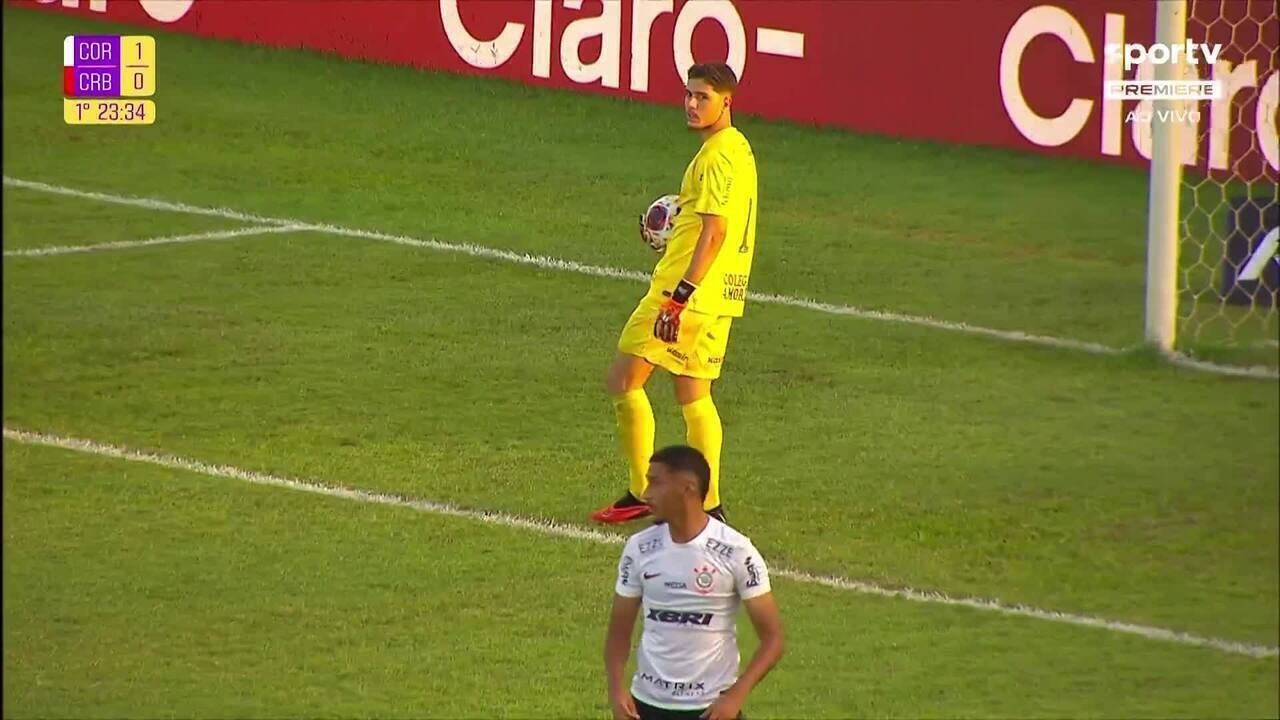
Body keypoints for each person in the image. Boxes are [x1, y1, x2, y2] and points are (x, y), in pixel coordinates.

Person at [592, 62, 759, 525]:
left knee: (624, 382)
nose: (690, 104)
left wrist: (679, 294)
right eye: (687, 94)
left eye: (702, 97)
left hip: (685, 292)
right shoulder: (739, 149)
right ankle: (712, 506)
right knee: (694, 396)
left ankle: (642, 493)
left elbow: (715, 232)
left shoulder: (714, 159)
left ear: (727, 101)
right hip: (723, 295)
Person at [604, 445, 784, 720]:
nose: (645, 493)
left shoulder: (736, 551)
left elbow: (773, 639)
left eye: (656, 482)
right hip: (645, 707)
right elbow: (619, 630)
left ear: (687, 488)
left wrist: (735, 697)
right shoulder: (639, 548)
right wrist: (617, 690)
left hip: (709, 709)